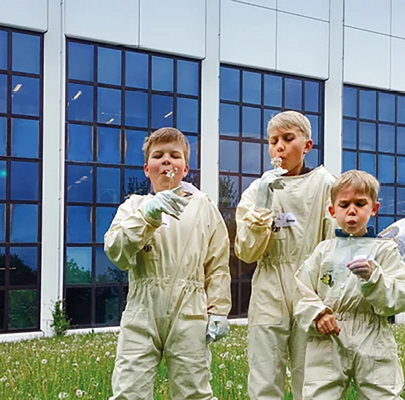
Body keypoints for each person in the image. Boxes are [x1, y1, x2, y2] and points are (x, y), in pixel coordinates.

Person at [105, 127, 233, 399]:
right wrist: (148, 215)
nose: (166, 161)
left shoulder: (203, 207)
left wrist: (219, 308)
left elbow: (217, 262)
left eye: (174, 156)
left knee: (194, 391)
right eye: (158, 156)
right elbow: (116, 251)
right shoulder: (133, 207)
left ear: (185, 169)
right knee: (129, 390)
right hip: (142, 308)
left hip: (190, 311)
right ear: (146, 168)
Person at [234, 111, 337, 399]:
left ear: (307, 145)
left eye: (288, 138)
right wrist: (264, 205)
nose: (279, 146)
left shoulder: (325, 184)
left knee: (312, 378)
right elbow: (246, 251)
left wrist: (326, 297)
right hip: (269, 288)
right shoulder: (257, 190)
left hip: (310, 288)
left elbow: (334, 244)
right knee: (264, 377)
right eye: (273, 140)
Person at [293, 170, 405, 399]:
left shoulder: (384, 249)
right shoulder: (324, 251)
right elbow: (301, 291)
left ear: (374, 209)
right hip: (328, 335)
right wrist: (318, 314)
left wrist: (374, 279)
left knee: (382, 394)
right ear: (332, 211)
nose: (352, 210)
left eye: (360, 203)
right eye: (344, 205)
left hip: (372, 333)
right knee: (319, 394)